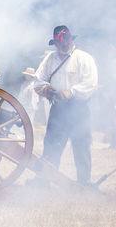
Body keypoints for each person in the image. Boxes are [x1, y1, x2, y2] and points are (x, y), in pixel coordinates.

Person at [31, 25, 98, 186]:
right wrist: (46, 89)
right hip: (58, 109)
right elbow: (38, 80)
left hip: (78, 109)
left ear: (70, 39)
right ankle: (44, 179)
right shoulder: (50, 59)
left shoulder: (84, 58)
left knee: (81, 144)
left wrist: (71, 92)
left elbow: (91, 83)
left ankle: (84, 181)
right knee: (52, 144)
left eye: (66, 39)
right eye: (59, 41)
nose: (63, 43)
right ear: (54, 42)